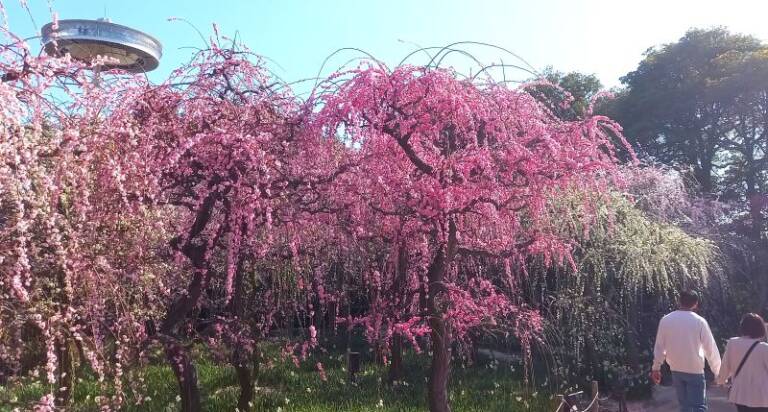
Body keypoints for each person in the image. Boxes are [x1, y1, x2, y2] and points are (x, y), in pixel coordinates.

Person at [651, 290, 721, 412]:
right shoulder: (699, 321)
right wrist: (718, 372)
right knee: (699, 406)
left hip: (676, 368)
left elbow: (659, 347)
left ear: (679, 301)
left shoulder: (666, 320)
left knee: (684, 406)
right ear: (696, 304)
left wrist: (656, 368)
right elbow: (710, 348)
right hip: (694, 368)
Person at [716, 313, 768, 412]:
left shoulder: (733, 343)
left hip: (741, 394)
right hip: (762, 396)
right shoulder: (764, 348)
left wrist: (721, 380)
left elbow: (725, 365)